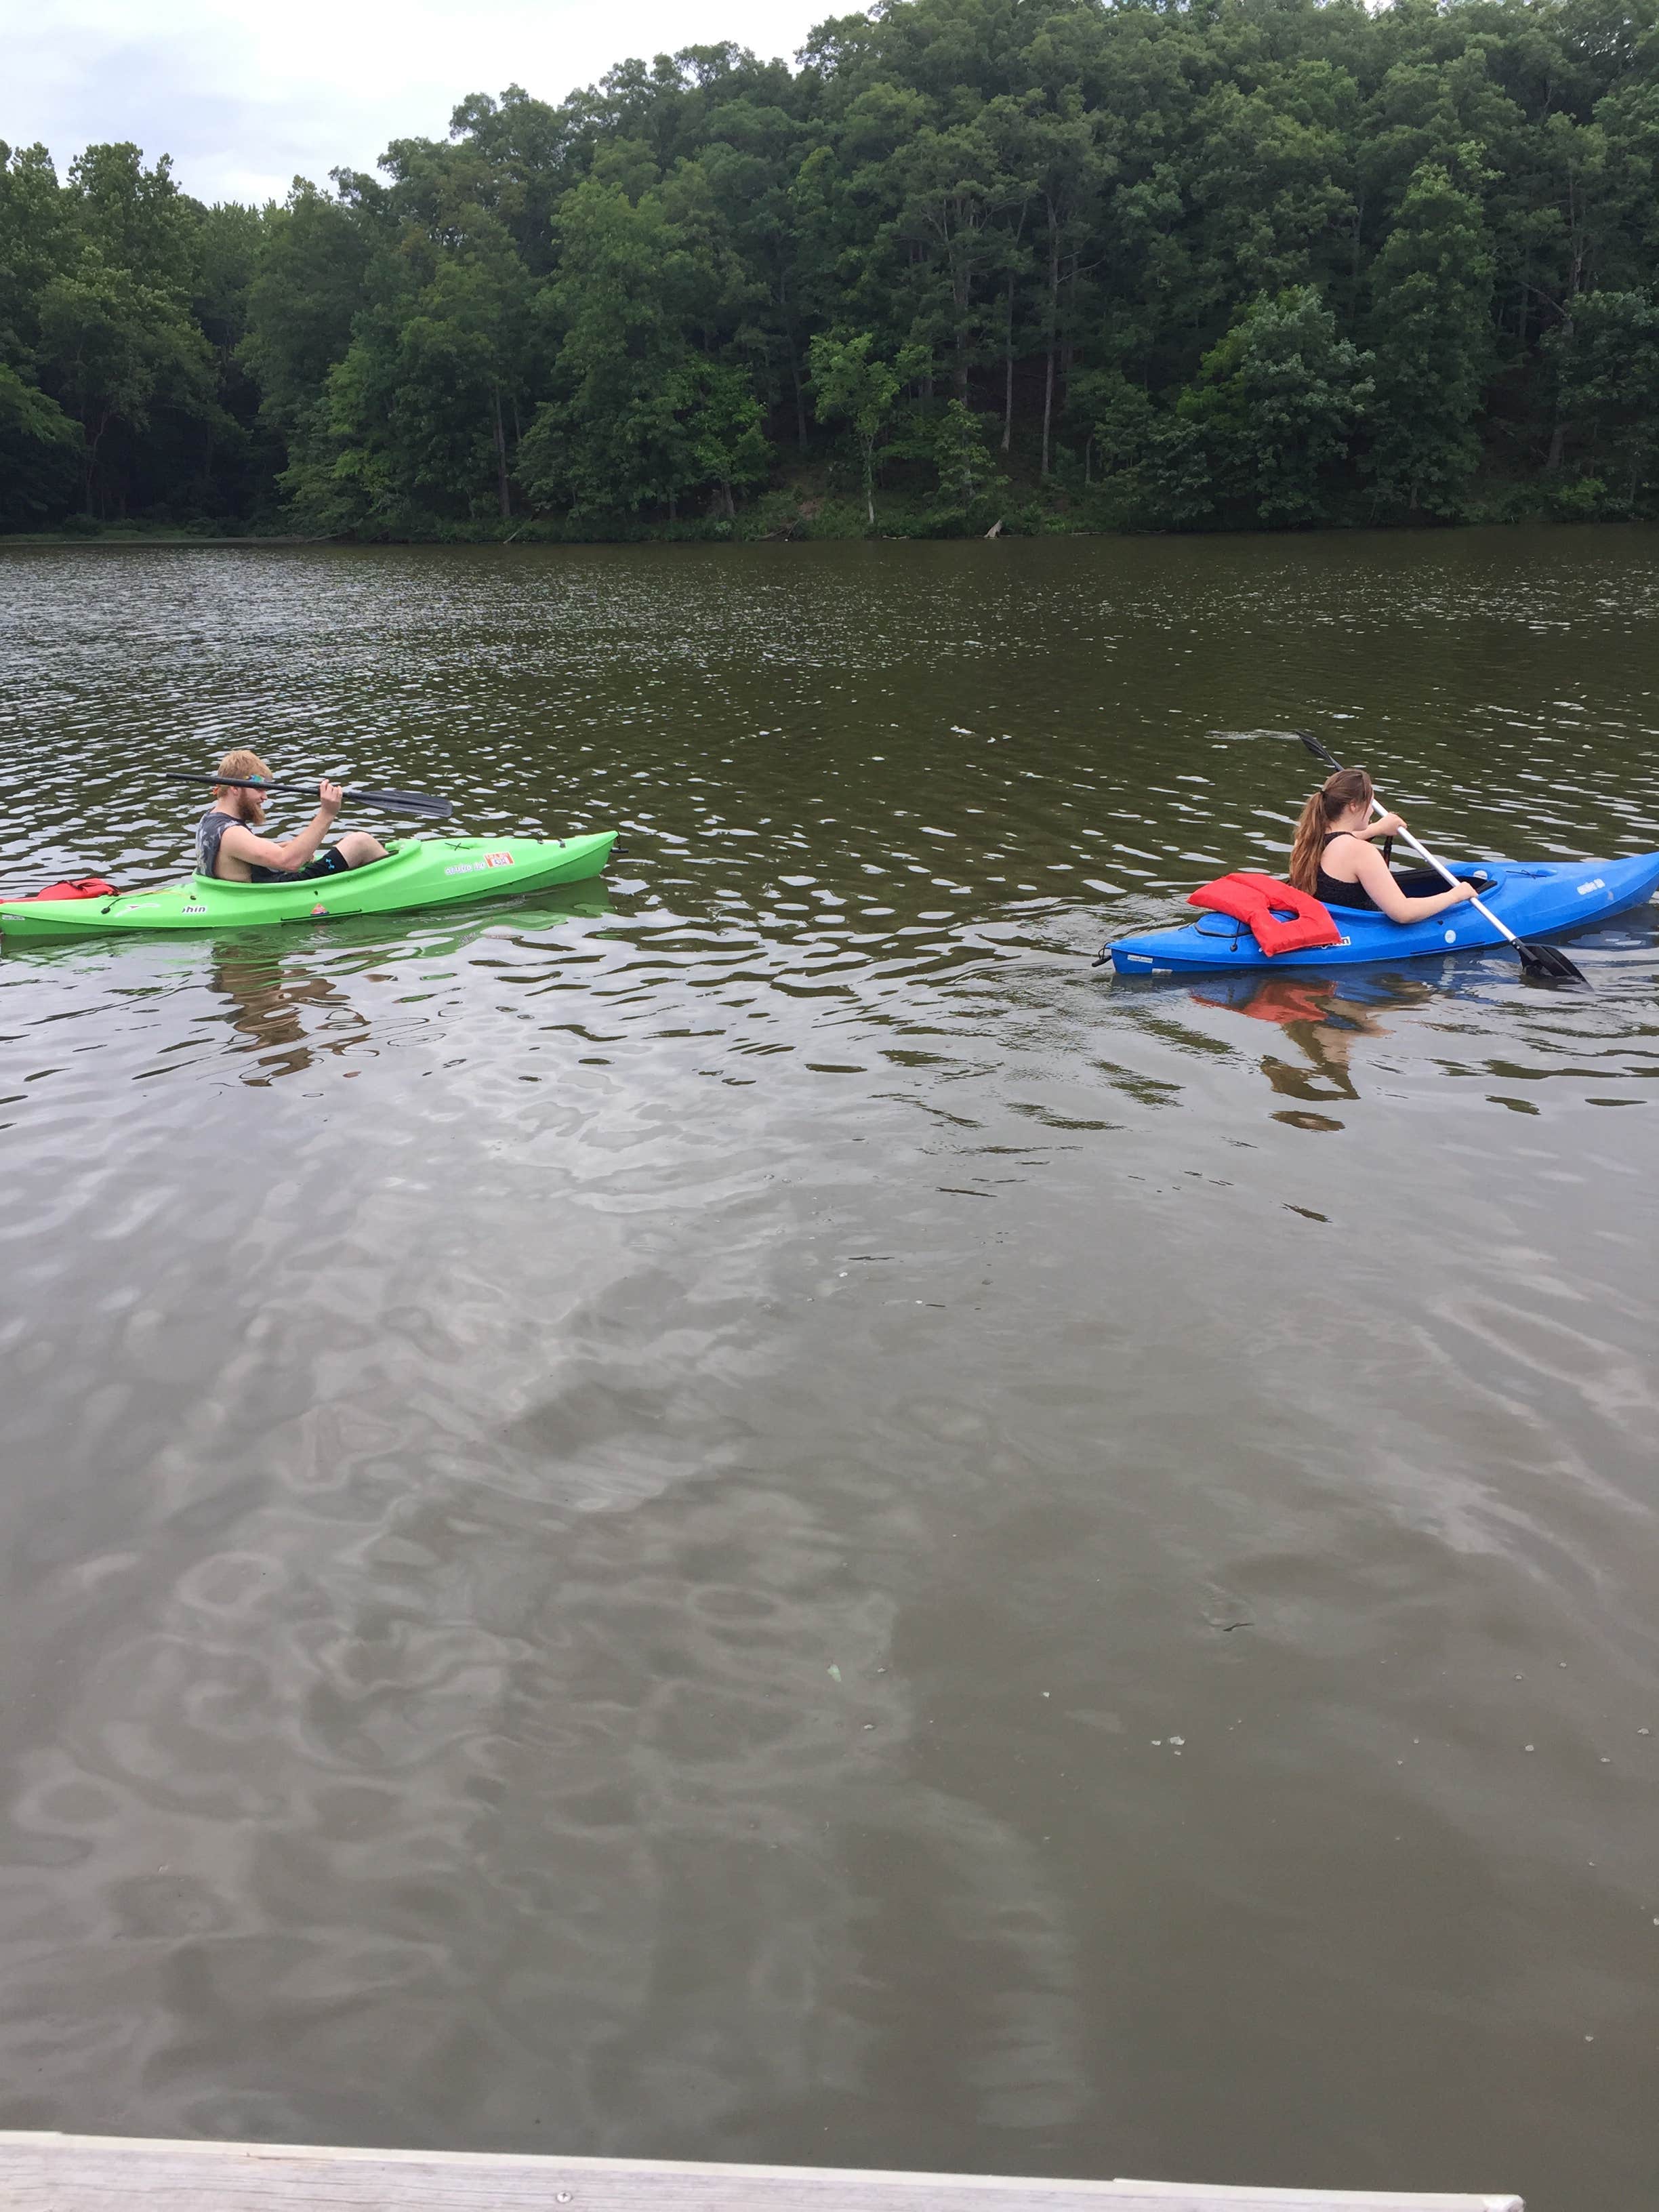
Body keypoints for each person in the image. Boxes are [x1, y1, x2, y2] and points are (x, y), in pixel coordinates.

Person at [1286, 766, 1479, 922]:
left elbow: (1340, 841)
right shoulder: (1360, 852)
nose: (1372, 811)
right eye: (1371, 803)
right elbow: (1403, 913)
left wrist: (1377, 829)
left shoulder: (1306, 838)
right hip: (1360, 930)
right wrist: (1456, 895)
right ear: (1354, 806)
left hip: (1329, 920)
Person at [195, 750, 386, 883]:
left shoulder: (210, 819)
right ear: (235, 788)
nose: (265, 796)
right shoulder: (232, 833)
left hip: (263, 884)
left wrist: (281, 847)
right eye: (260, 789)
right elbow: (290, 862)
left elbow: (239, 855)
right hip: (280, 890)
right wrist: (327, 813)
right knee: (360, 842)